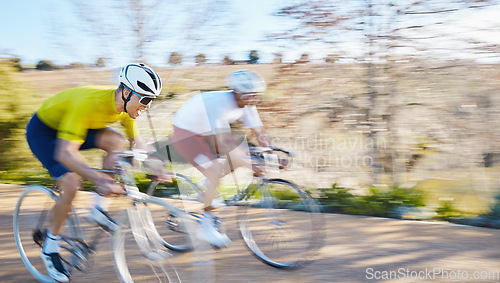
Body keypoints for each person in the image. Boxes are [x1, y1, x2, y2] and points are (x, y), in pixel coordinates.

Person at [25, 63, 172, 282]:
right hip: (44, 133)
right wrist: (100, 179)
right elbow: (65, 153)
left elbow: (137, 142)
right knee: (72, 183)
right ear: (125, 92)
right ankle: (50, 248)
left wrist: (157, 165)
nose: (148, 106)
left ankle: (97, 208)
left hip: (75, 126)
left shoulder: (125, 108)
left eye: (151, 100)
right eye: (145, 99)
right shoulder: (89, 104)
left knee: (117, 141)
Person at [171, 69, 271, 248]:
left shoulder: (248, 103)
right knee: (216, 170)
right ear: (236, 92)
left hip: (207, 133)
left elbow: (259, 134)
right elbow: (223, 144)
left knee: (243, 154)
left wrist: (272, 154)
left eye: (256, 96)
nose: (252, 100)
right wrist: (250, 165)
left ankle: (208, 185)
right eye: (248, 96)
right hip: (186, 135)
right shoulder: (218, 104)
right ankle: (206, 225)